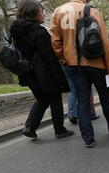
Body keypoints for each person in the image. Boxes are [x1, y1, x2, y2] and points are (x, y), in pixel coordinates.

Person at [50, 0, 109, 148]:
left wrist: (64, 57)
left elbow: (55, 41)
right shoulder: (93, 11)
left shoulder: (57, 12)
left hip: (73, 64)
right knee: (105, 96)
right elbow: (105, 43)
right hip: (96, 63)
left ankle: (88, 138)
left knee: (82, 99)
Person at [11, 0, 73, 140]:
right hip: (44, 72)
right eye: (40, 11)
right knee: (55, 99)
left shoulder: (16, 31)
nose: (43, 13)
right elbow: (49, 57)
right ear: (33, 14)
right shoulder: (39, 32)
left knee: (42, 100)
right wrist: (59, 77)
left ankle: (29, 127)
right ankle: (60, 130)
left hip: (28, 72)